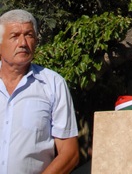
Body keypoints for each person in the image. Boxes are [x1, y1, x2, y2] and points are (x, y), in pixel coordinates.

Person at [0, 9, 79, 174]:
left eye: (29, 35)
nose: (23, 43)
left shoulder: (53, 84)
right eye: (14, 36)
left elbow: (69, 153)